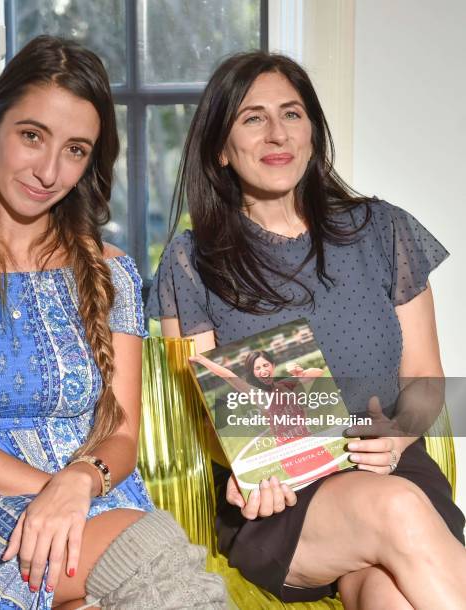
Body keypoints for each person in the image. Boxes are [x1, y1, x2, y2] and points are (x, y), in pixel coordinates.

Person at [0, 36, 226, 610]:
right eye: (32, 136)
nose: (47, 170)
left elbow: (121, 437)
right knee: (156, 562)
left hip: (99, 498)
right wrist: (55, 492)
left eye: (75, 150)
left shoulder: (110, 271)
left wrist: (79, 484)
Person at [147, 50, 466, 608]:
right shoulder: (189, 261)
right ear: (221, 149)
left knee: (387, 594)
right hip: (285, 498)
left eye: (292, 114)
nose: (277, 133)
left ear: (312, 131)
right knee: (397, 509)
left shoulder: (382, 229)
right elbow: (210, 413)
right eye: (253, 118)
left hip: (393, 465)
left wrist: (397, 434)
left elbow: (425, 378)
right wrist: (245, 470)